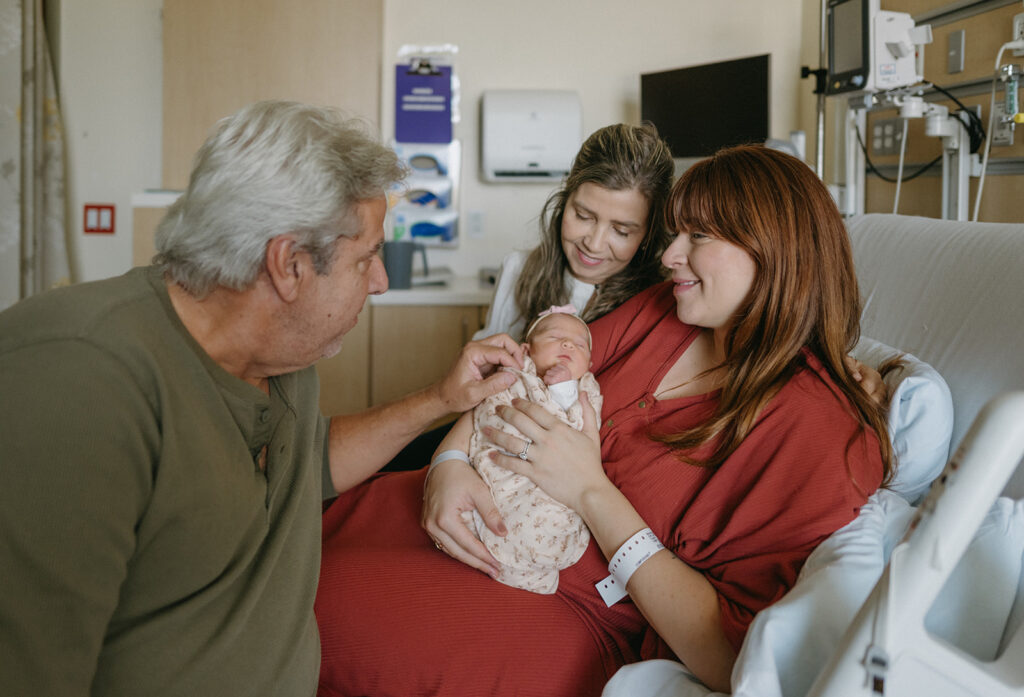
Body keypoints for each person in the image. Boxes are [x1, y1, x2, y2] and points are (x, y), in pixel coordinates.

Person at [314, 144, 894, 696]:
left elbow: (729, 657)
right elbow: (526, 374)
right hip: (469, 501)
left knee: (305, 620)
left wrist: (590, 490)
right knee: (291, 551)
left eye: (698, 236)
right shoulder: (668, 313)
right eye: (676, 233)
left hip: (566, 607)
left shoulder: (819, 434)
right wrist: (448, 461)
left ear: (773, 252)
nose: (668, 257)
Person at [0, 100, 525, 697]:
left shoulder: (282, 355)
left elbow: (304, 465)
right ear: (289, 266)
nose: (380, 282)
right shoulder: (77, 383)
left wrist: (440, 398)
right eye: (368, 257)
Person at [435, 305, 603, 595]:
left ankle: (519, 562)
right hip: (497, 461)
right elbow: (487, 408)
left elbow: (576, 423)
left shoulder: (581, 391)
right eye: (554, 337)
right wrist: (448, 461)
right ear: (526, 351)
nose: (567, 344)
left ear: (589, 364)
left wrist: (564, 388)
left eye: (579, 345)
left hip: (546, 482)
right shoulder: (514, 376)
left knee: (544, 524)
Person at [475, 122, 675, 341]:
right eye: (583, 216)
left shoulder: (662, 301)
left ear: (648, 234)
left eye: (621, 231)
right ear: (565, 200)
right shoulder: (517, 270)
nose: (594, 244)